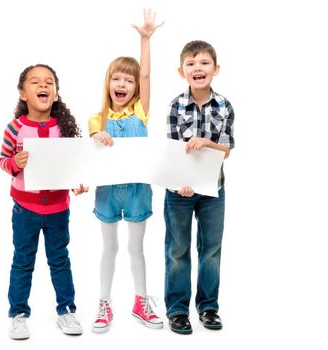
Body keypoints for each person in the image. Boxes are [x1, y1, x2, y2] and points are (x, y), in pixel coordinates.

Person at [0, 64, 87, 339]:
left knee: (60, 260)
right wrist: (15, 162)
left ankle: (66, 310)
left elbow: (74, 167)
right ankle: (18, 314)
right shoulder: (15, 129)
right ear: (23, 94)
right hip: (24, 209)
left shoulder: (65, 129)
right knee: (23, 261)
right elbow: (2, 161)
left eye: (49, 82)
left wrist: (78, 184)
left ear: (56, 94)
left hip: (58, 209)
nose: (43, 86)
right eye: (35, 83)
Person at [88, 9, 163, 333]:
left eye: (128, 80)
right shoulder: (97, 117)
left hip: (136, 190)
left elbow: (146, 76)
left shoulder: (141, 112)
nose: (123, 83)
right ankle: (104, 302)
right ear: (108, 83)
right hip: (107, 189)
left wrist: (144, 40)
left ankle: (140, 300)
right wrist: (96, 136)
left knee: (136, 247)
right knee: (110, 247)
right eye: (117, 78)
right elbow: (88, 150)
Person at [164, 40, 235, 334]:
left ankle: (208, 307)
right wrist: (182, 182)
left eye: (204, 63)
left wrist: (208, 144)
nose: (198, 69)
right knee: (177, 249)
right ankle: (178, 310)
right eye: (191, 64)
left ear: (215, 70)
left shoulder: (224, 106)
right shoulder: (176, 106)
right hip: (178, 190)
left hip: (212, 189)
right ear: (182, 71)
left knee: (211, 249)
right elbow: (171, 150)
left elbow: (227, 149)